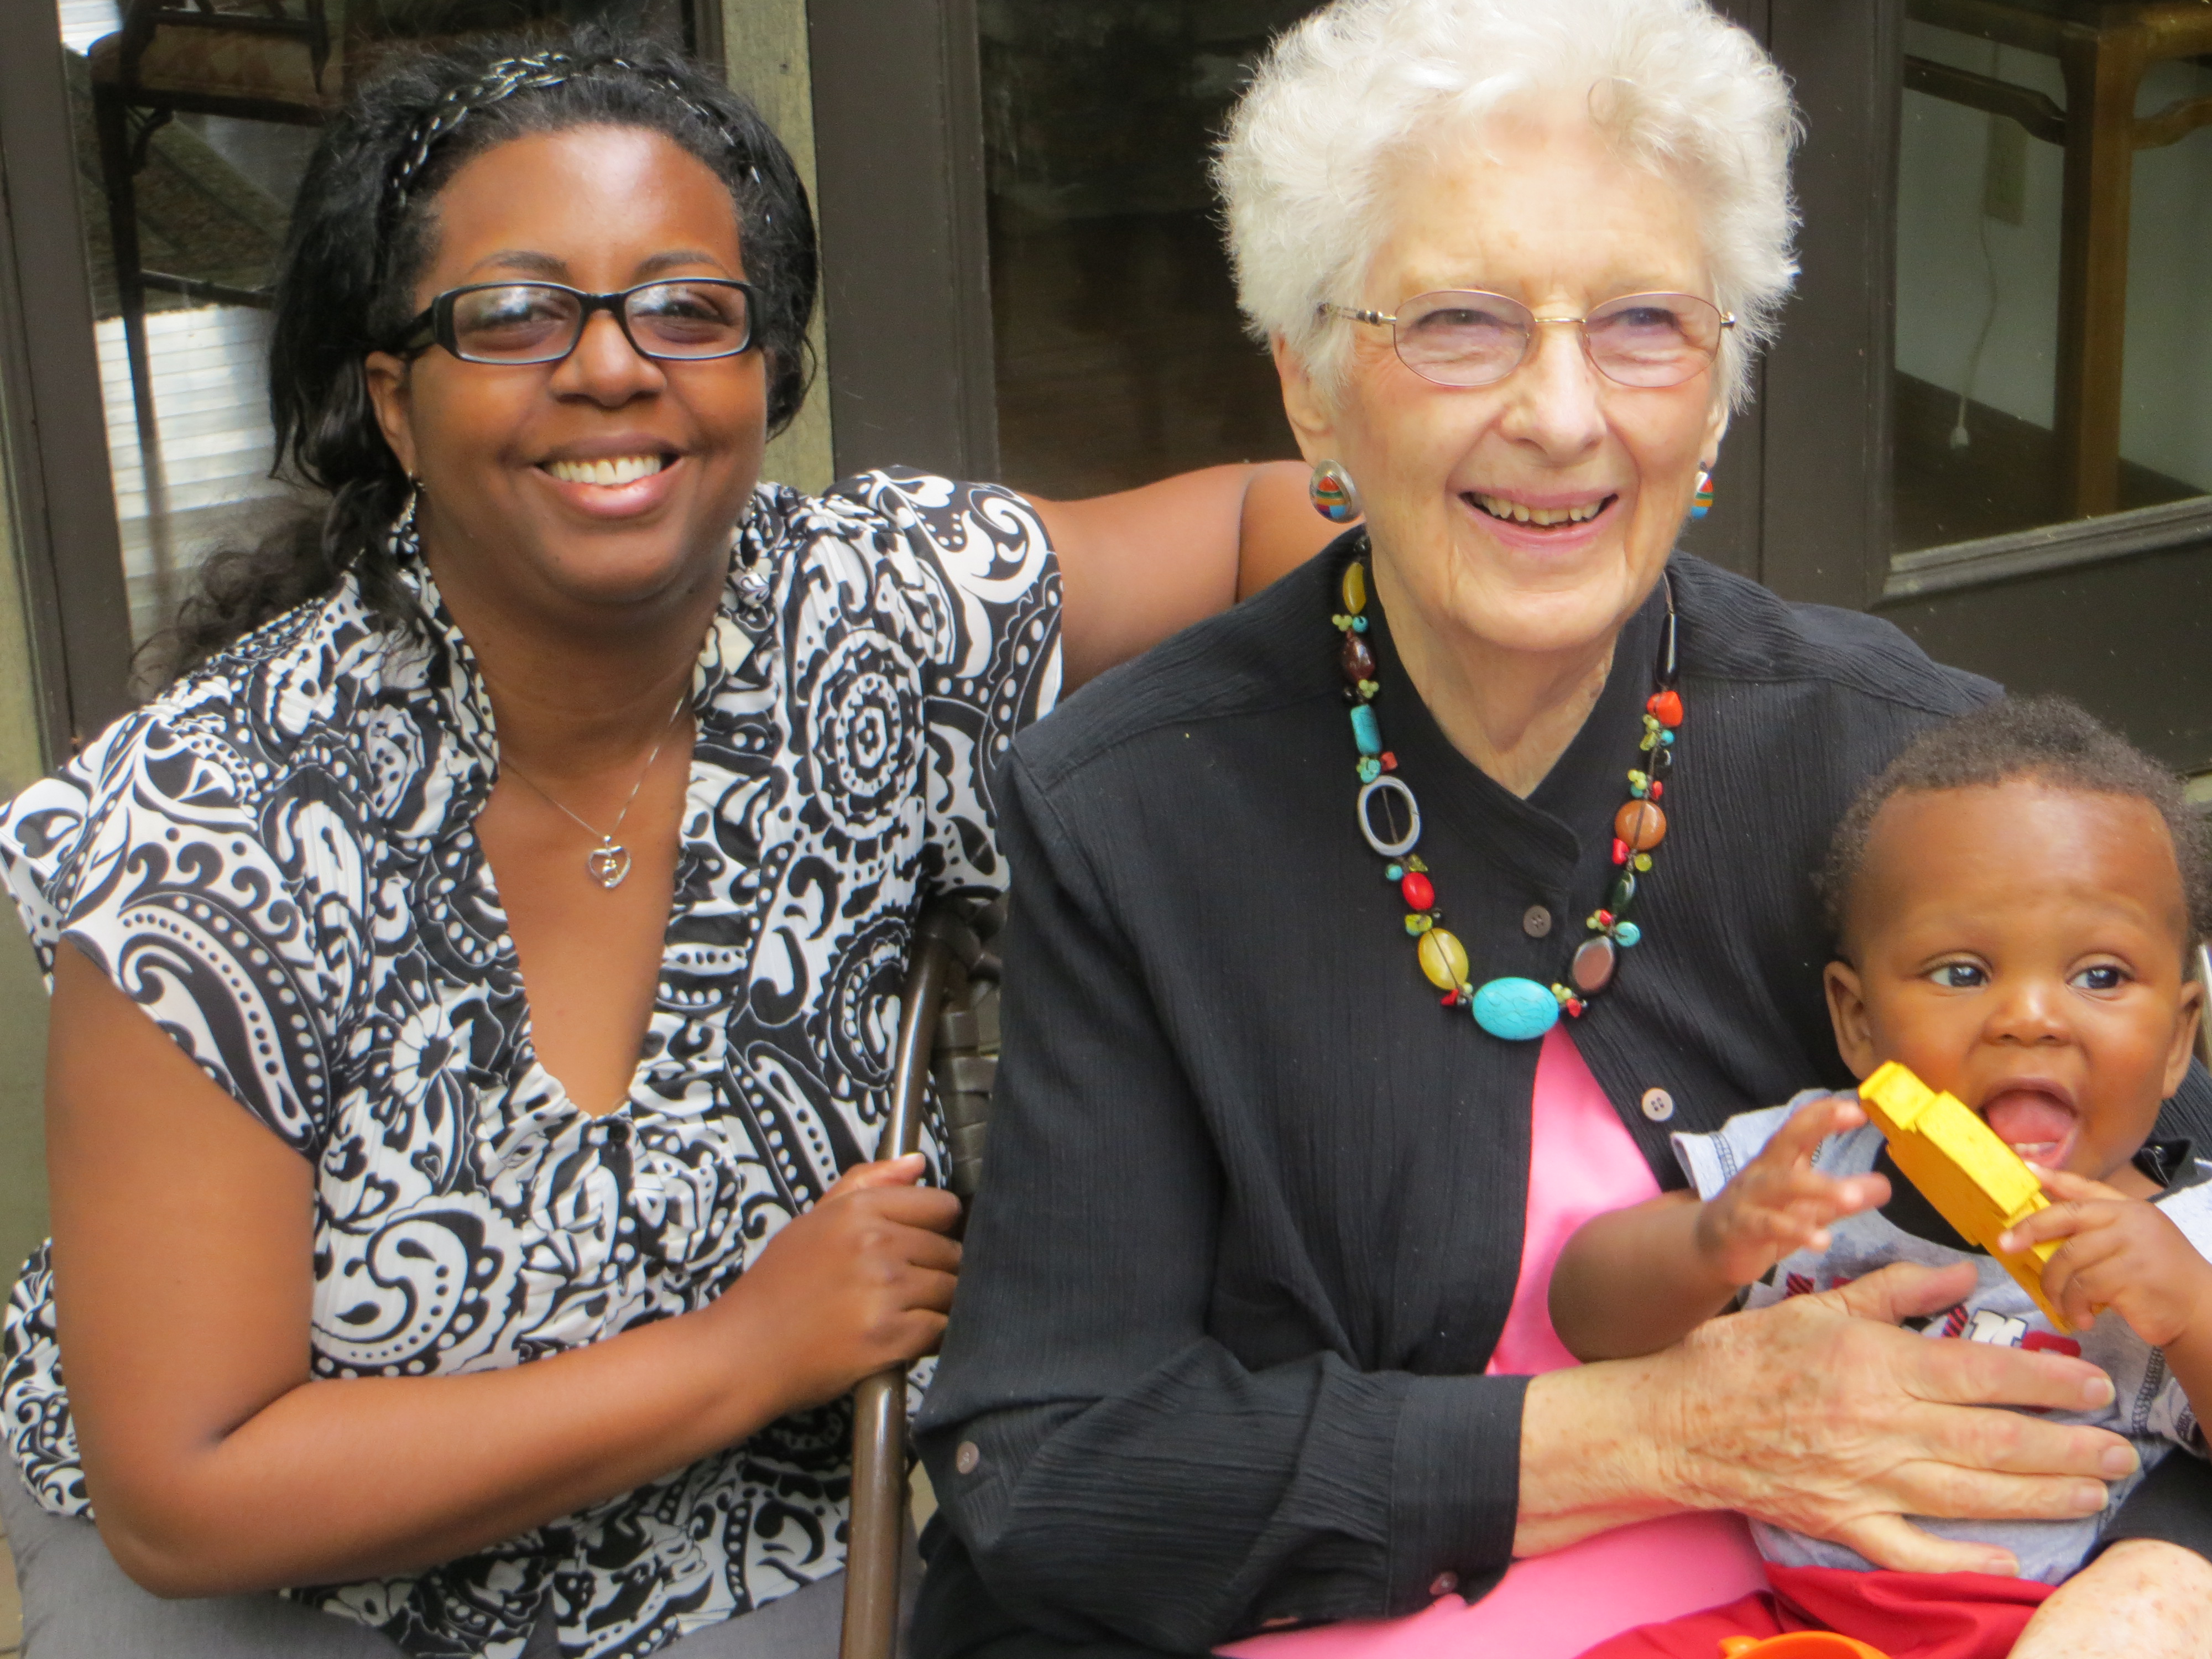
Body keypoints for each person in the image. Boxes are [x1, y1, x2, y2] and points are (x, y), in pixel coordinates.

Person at [0, 27, 1333, 1659]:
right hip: (292, 1599)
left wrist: (1517, 586)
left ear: (763, 373)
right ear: (396, 404)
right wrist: (745, 1352)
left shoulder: (864, 613)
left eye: (688, 309)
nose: (613, 366)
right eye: (515, 313)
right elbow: (190, 1493)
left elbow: (1276, 523)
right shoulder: (213, 822)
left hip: (747, 1555)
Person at [907, 4, 2212, 1658]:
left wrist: (2156, 1572)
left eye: (1643, 324)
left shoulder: (1911, 773)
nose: (1562, 412)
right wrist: (1657, 1432)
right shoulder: (1137, 812)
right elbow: (1056, 1473)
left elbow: (2179, 1211)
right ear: (1309, 388)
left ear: (1719, 395)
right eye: (1458, 322)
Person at [1550, 697, 2212, 1659]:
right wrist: (1709, 1243)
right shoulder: (1816, 1159)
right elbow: (1585, 1313)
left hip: (2059, 1626)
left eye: (2100, 977)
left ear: (2180, 1039)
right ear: (1857, 1021)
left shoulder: (2192, 1238)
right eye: (1961, 973)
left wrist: (2190, 1312)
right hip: (1803, 1618)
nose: (2031, 1017)